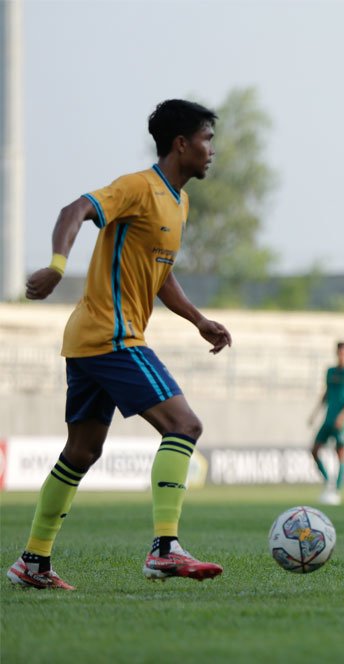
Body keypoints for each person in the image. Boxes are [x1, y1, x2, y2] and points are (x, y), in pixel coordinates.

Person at [6, 100, 232, 590]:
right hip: (112, 335)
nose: (212, 150)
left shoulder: (179, 202)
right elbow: (77, 208)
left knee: (82, 451)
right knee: (184, 425)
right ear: (181, 144)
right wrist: (58, 265)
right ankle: (165, 549)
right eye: (206, 140)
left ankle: (33, 562)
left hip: (89, 339)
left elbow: (160, 272)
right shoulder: (139, 188)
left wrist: (197, 319)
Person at [308, 341, 344, 505]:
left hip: (342, 420)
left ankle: (336, 491)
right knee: (314, 450)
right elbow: (326, 393)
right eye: (339, 352)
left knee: (340, 453)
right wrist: (315, 414)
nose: (341, 355)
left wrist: (343, 415)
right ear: (336, 353)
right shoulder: (330, 372)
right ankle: (328, 481)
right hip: (328, 417)